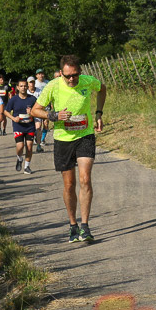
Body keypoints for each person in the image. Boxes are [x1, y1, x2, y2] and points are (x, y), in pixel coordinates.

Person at [32, 55, 106, 243]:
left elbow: (102, 89)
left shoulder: (88, 82)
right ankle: (73, 225)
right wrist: (54, 115)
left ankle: (85, 227)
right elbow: (35, 110)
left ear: (79, 72)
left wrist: (98, 113)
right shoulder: (53, 86)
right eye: (67, 76)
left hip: (85, 136)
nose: (72, 79)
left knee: (85, 179)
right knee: (69, 184)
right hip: (63, 139)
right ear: (61, 74)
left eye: (75, 75)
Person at [5, 78, 38, 174]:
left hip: (30, 126)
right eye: (21, 86)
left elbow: (38, 111)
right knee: (20, 146)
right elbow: (6, 111)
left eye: (25, 86)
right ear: (18, 88)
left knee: (29, 146)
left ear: (27, 87)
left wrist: (32, 113)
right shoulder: (13, 99)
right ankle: (19, 158)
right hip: (18, 126)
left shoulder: (32, 99)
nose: (23, 88)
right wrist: (13, 118)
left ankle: (27, 167)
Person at [32, 70, 49, 150]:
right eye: (39, 74)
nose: (41, 75)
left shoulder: (47, 82)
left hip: (46, 106)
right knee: (38, 125)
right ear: (36, 75)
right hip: (38, 106)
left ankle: (42, 139)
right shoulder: (34, 83)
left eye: (42, 73)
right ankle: (38, 137)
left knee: (46, 123)